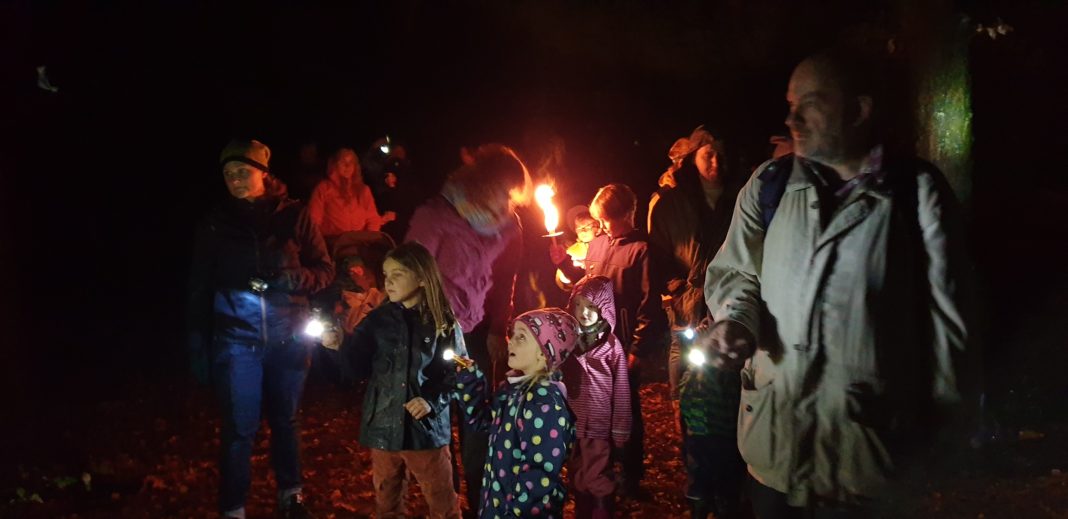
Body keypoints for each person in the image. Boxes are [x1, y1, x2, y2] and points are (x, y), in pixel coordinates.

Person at [702, 50, 971, 517]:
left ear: (859, 110)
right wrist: (736, 321)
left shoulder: (915, 193)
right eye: (789, 103)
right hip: (775, 456)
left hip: (866, 463)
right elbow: (737, 272)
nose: (792, 117)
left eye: (810, 102)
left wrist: (940, 438)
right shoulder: (768, 186)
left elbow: (951, 323)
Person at [186, 139, 334, 519]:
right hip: (237, 339)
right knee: (239, 427)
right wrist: (199, 341)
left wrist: (289, 278)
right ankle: (233, 507)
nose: (234, 179)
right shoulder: (216, 222)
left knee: (286, 419)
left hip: (289, 337)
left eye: (242, 171)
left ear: (264, 175)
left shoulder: (294, 216)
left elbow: (324, 270)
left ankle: (292, 495)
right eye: (227, 174)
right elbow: (200, 285)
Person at [405, 143, 529, 516]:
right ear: (485, 182)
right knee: (437, 424)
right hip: (433, 335)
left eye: (513, 193)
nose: (510, 199)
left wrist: (498, 328)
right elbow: (410, 272)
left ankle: (481, 505)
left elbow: (506, 279)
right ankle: (447, 506)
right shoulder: (436, 215)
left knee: (476, 427)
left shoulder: (509, 226)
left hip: (474, 336)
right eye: (505, 189)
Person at [322, 242, 465, 519]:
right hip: (383, 428)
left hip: (425, 432)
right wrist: (339, 347)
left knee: (442, 503)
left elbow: (457, 373)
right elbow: (354, 369)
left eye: (398, 274)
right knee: (387, 502)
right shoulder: (377, 321)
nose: (389, 281)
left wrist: (431, 400)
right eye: (386, 274)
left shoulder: (442, 323)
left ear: (423, 277)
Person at [552, 182, 667, 494]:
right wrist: (564, 263)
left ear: (627, 214)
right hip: (593, 343)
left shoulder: (640, 250)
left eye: (605, 219)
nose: (600, 226)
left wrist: (637, 348)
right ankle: (598, 466)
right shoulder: (600, 245)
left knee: (625, 408)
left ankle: (630, 474)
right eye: (598, 219)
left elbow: (648, 303)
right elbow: (586, 284)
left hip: (622, 343)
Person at [454, 308, 580, 519]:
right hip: (496, 504)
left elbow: (540, 475)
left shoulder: (544, 404)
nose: (511, 341)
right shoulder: (510, 390)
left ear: (544, 352)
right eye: (513, 334)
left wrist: (514, 512)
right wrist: (470, 381)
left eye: (521, 337)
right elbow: (483, 422)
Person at [647, 126, 738, 406]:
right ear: (694, 157)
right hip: (686, 299)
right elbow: (659, 252)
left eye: (721, 154)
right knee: (685, 355)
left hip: (728, 300)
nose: (715, 162)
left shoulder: (741, 196)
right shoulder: (670, 203)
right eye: (708, 154)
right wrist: (674, 288)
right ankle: (682, 408)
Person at [561, 276, 631, 518]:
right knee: (578, 472)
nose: (584, 312)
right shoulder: (568, 342)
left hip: (599, 421)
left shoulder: (611, 346)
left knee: (597, 473)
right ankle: (583, 509)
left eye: (591, 307)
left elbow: (622, 390)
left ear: (604, 309)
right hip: (573, 420)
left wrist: (620, 430)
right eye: (579, 305)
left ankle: (602, 510)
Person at [308, 147, 395, 242]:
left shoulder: (363, 190)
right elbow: (314, 221)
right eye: (343, 162)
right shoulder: (324, 188)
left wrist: (369, 241)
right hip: (332, 244)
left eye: (351, 162)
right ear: (335, 165)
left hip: (358, 244)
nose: (347, 166)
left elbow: (372, 219)